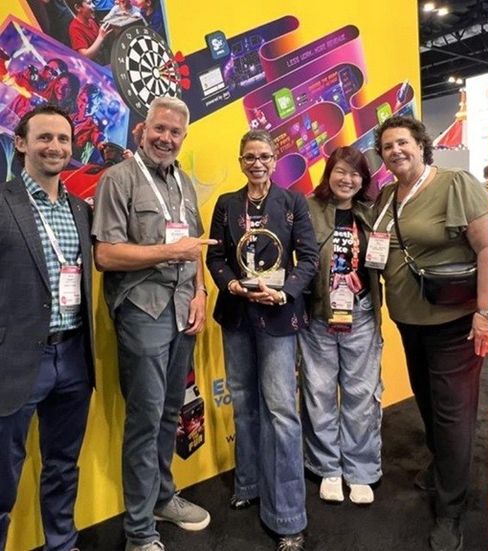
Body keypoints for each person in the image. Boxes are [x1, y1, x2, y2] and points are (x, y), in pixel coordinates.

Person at [92, 96, 213, 551]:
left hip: (182, 311)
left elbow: (194, 246)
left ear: (183, 138)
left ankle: (163, 497)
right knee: (145, 419)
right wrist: (169, 253)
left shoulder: (182, 181)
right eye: (159, 129)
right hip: (142, 313)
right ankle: (140, 532)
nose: (166, 138)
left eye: (175, 133)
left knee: (168, 414)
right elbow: (106, 255)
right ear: (143, 130)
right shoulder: (118, 179)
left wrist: (200, 292)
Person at [372, 116, 488, 551]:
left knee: (454, 416)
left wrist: (485, 312)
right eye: (387, 146)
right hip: (409, 322)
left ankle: (451, 510)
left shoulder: (455, 184)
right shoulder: (387, 196)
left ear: (422, 145)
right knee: (426, 399)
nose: (395, 151)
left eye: (403, 142)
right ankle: (443, 467)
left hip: (454, 324)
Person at [205, 130, 317, 551]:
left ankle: (287, 515)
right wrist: (230, 284)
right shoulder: (227, 205)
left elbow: (307, 259)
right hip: (236, 314)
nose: (257, 163)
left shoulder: (292, 203)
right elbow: (215, 256)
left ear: (275, 160)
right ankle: (248, 483)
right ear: (240, 161)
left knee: (282, 414)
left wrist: (285, 291)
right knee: (245, 404)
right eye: (250, 156)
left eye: (265, 156)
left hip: (277, 313)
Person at [0, 104, 95, 551]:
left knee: (62, 466)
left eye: (63, 139)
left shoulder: (80, 209)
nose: (55, 146)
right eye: (44, 137)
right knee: (2, 481)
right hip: (17, 361)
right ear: (20, 144)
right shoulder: (3, 202)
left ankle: (62, 544)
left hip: (73, 356)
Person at [298, 146, 384, 506]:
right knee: (318, 393)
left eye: (355, 173)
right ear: (328, 173)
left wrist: (362, 283)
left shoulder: (372, 214)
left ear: (363, 180)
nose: (347, 179)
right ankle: (327, 467)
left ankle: (361, 469)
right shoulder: (306, 208)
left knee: (361, 394)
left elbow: (383, 260)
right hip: (317, 316)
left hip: (361, 315)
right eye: (340, 171)